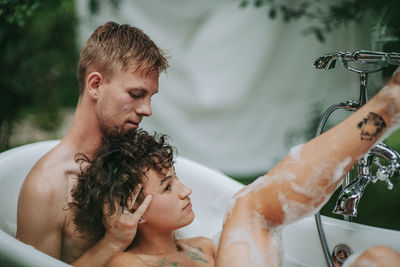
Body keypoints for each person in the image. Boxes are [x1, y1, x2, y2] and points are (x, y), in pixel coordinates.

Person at [71, 68, 400, 267]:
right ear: (134, 208)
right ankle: (387, 108)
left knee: (381, 258)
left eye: (177, 179)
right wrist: (113, 241)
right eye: (168, 187)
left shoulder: (203, 246)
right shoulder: (126, 262)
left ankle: (385, 109)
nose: (186, 190)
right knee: (247, 205)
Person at [16, 21, 168, 266]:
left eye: (150, 97)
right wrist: (112, 242)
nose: (147, 110)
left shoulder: (133, 162)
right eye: (136, 94)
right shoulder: (48, 187)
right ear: (95, 85)